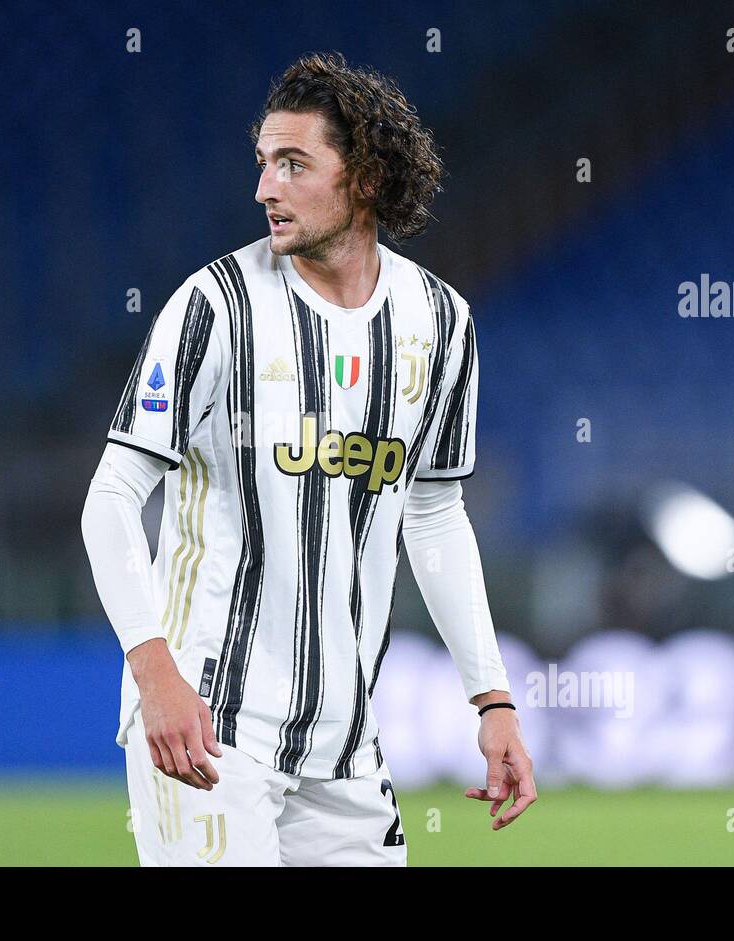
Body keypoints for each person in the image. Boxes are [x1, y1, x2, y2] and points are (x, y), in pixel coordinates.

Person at [81, 52, 535, 866]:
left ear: (363, 179)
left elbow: (433, 515)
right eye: (263, 163)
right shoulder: (213, 307)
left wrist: (491, 696)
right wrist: (155, 674)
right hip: (208, 722)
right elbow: (112, 494)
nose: (265, 188)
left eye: (293, 164)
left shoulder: (441, 322)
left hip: (347, 742)